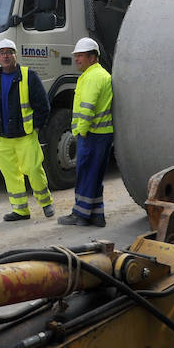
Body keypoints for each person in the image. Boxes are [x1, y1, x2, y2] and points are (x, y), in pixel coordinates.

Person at [0, 38, 55, 222]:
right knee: (11, 175)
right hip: (2, 138)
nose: (5, 56)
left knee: (33, 169)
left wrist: (35, 127)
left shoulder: (29, 75)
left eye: (9, 52)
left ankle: (46, 203)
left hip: (25, 136)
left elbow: (43, 106)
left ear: (15, 55)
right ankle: (21, 211)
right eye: (2, 53)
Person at [58, 37, 113, 227]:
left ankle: (80, 214)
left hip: (91, 135)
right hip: (102, 134)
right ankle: (97, 215)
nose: (77, 59)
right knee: (95, 176)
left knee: (85, 174)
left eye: (81, 56)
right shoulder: (102, 74)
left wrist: (80, 131)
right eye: (76, 56)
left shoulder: (92, 77)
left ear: (93, 57)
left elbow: (88, 107)